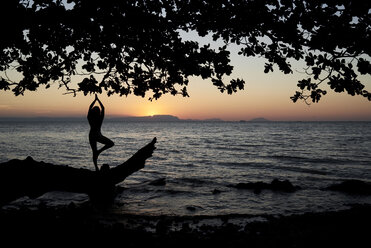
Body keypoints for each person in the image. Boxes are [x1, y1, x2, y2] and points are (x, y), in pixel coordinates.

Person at [87, 94, 114, 171]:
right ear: (98, 112)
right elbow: (103, 108)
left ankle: (96, 167)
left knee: (94, 152)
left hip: (91, 135)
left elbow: (89, 108)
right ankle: (99, 152)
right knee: (111, 143)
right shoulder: (100, 118)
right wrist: (98, 100)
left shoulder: (90, 118)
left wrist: (94, 100)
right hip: (98, 135)